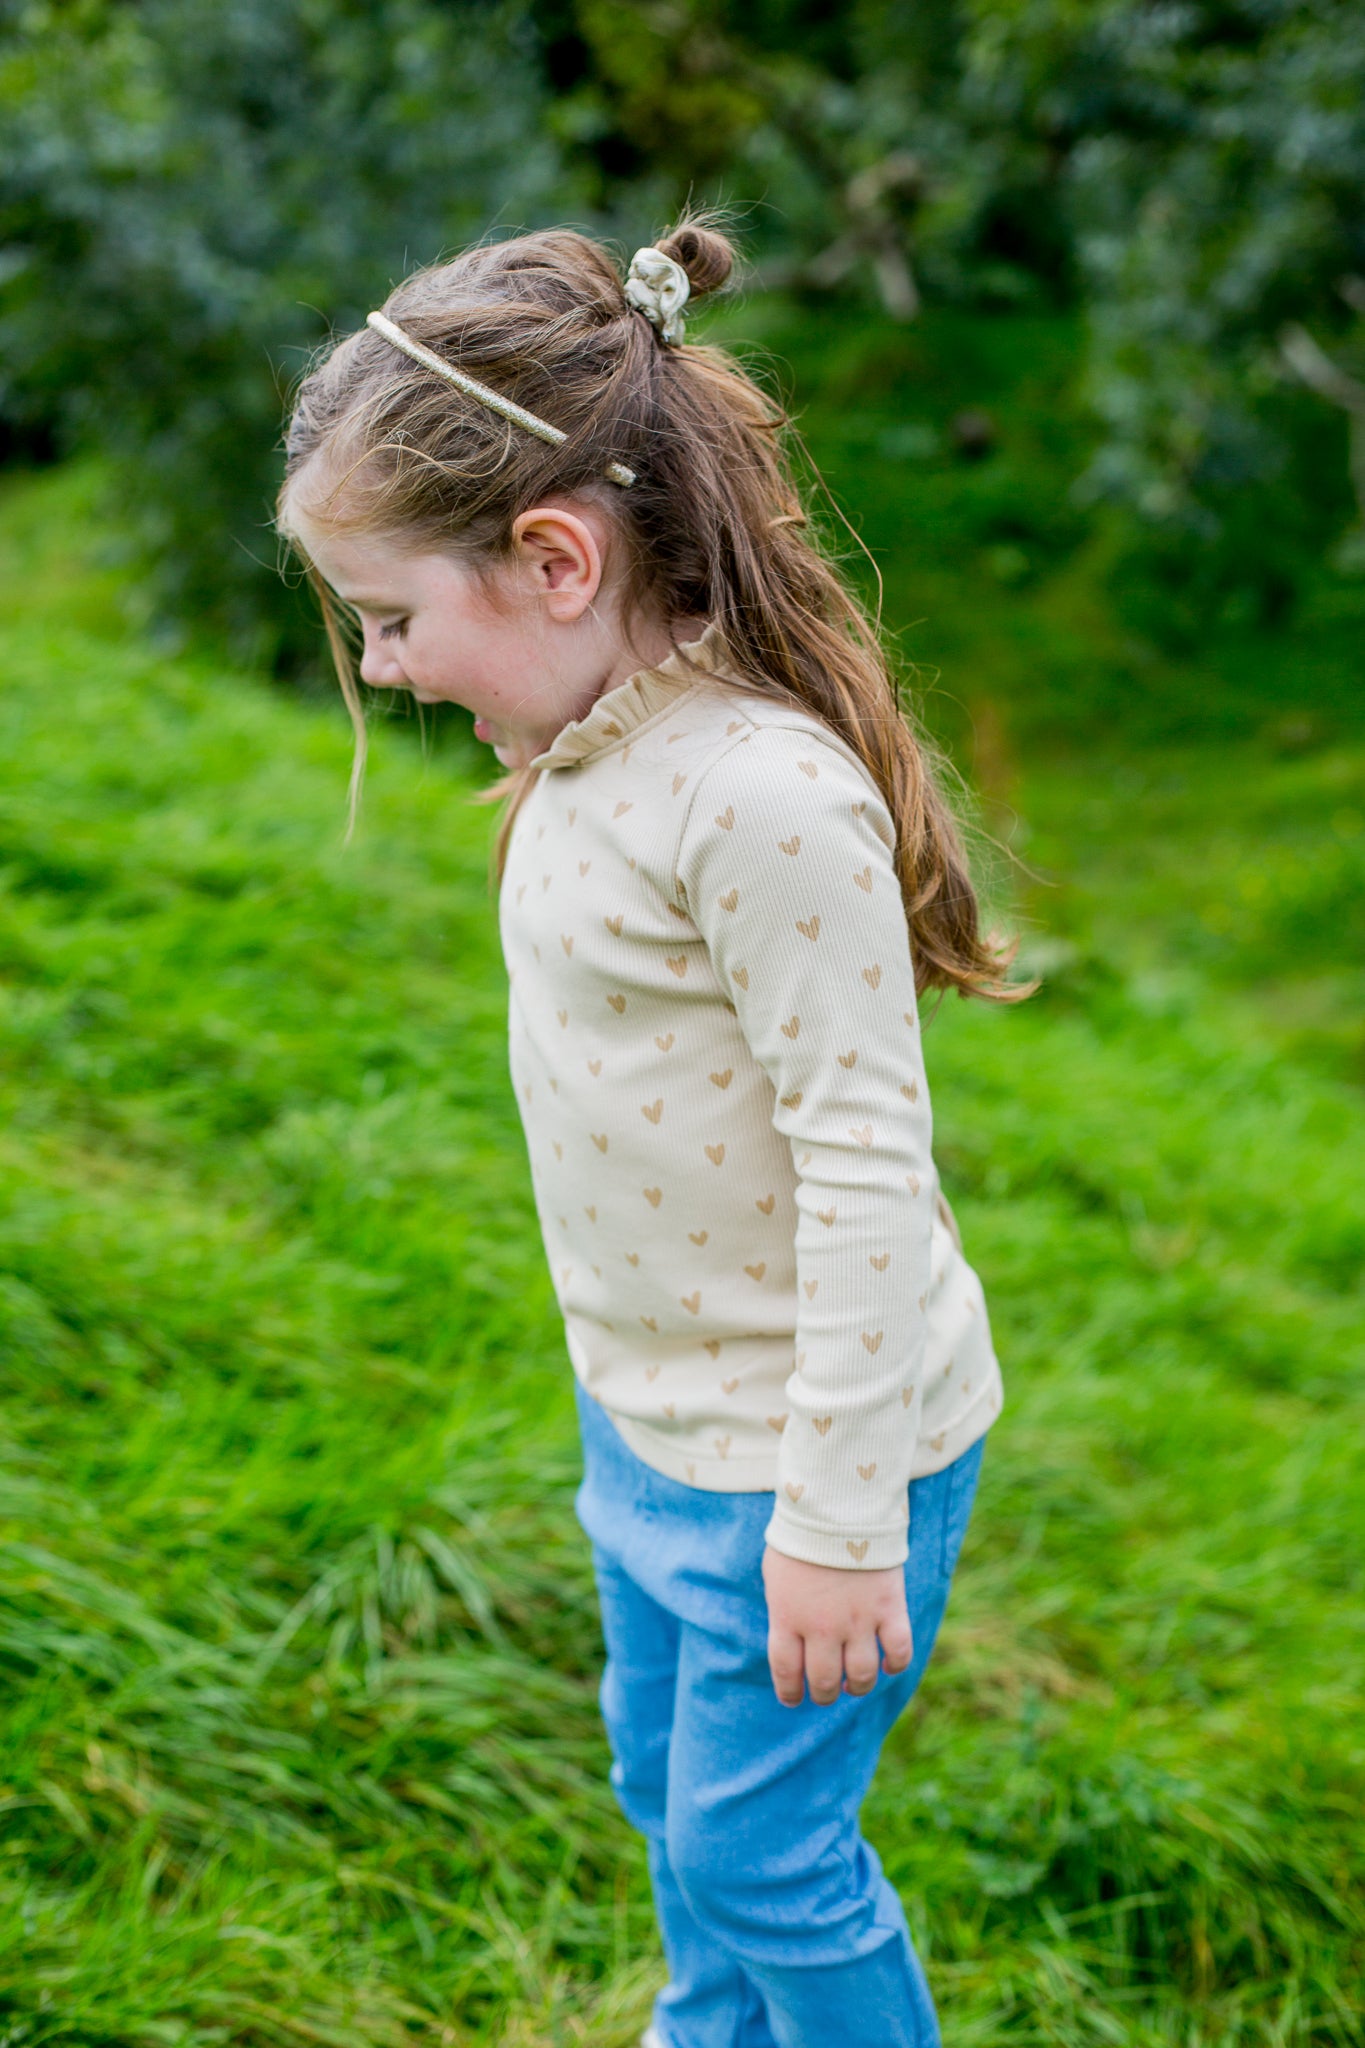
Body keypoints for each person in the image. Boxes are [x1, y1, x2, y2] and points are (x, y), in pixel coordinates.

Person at [276, 213, 1028, 2048]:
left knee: (768, 1854)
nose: (378, 669)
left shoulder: (757, 797)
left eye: (390, 619)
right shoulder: (586, 750)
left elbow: (864, 1163)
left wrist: (838, 1522)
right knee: (669, 1810)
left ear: (550, 558)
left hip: (815, 1464)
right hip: (654, 1435)